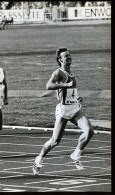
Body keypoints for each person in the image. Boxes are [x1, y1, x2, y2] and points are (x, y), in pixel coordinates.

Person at [32, 47, 94, 175]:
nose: (69, 57)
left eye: (69, 55)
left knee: (89, 131)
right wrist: (65, 85)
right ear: (60, 60)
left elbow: (72, 91)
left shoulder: (71, 71)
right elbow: (48, 85)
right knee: (55, 141)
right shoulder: (58, 73)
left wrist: (77, 97)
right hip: (64, 110)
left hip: (75, 108)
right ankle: (39, 158)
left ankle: (76, 154)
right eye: (66, 56)